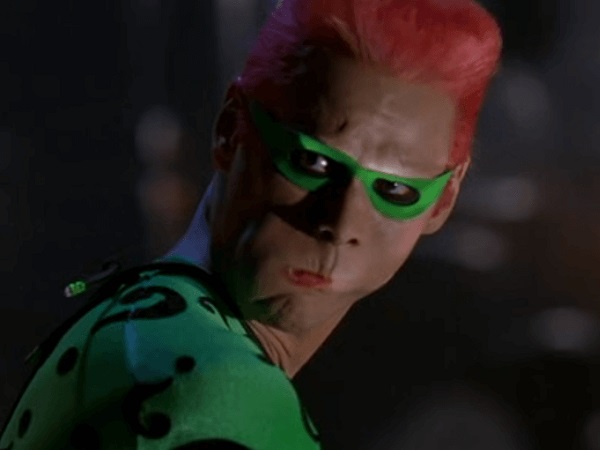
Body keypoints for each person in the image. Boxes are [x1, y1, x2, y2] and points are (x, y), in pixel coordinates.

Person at [0, 0, 502, 448]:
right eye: (312, 162)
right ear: (230, 129)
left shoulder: (134, 318)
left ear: (444, 199)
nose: (339, 222)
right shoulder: (217, 390)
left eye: (395, 190)